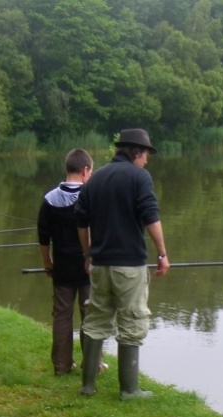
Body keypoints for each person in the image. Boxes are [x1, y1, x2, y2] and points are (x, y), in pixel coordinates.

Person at [74, 129, 169, 399]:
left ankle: (88, 385)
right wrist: (162, 253)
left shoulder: (96, 177)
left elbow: (81, 221)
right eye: (146, 155)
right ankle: (129, 389)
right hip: (129, 267)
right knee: (132, 322)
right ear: (136, 152)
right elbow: (151, 216)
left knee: (95, 320)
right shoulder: (140, 177)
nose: (147, 160)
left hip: (100, 265)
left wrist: (87, 254)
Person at [38, 149, 94, 375]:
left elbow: (43, 238)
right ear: (85, 170)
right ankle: (92, 364)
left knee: (62, 316)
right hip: (88, 267)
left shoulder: (49, 199)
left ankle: (61, 366)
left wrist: (47, 264)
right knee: (90, 315)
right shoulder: (91, 197)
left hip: (61, 266)